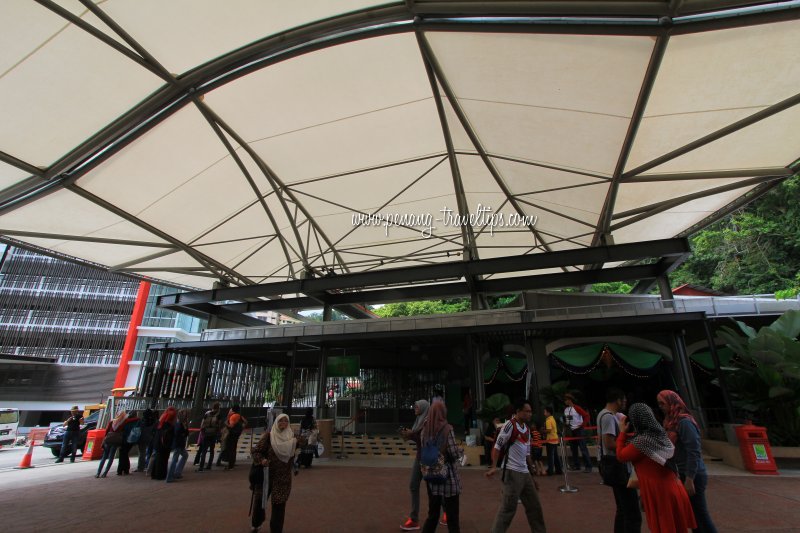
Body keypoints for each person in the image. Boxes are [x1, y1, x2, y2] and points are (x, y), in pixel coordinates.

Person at [617, 403, 696, 533]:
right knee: (677, 527)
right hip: (673, 486)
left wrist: (622, 433)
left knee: (665, 527)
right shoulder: (660, 435)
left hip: (659, 491)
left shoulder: (642, 442)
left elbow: (621, 456)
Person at [657, 390, 718, 533]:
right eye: (659, 403)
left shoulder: (684, 422)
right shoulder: (670, 422)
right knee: (692, 516)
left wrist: (690, 478)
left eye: (663, 403)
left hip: (693, 475)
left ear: (672, 403)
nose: (660, 406)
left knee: (700, 515)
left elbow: (694, 451)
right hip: (682, 473)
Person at [486, 399, 546, 533]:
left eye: (531, 411)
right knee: (507, 510)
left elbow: (527, 454)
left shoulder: (527, 429)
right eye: (527, 411)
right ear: (518, 412)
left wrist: (532, 473)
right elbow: (497, 446)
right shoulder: (509, 426)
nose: (530, 414)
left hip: (525, 473)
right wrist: (494, 466)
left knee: (535, 507)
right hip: (512, 473)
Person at [250, 413, 306, 533]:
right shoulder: (269, 437)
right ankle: (256, 523)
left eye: (286, 421)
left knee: (279, 504)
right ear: (276, 422)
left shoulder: (292, 439)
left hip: (283, 478)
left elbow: (304, 442)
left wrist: (302, 437)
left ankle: (276, 529)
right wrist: (262, 460)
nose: (283, 424)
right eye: (281, 421)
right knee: (260, 501)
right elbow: (255, 451)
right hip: (266, 475)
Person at [597, 388, 641, 533]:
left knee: (622, 509)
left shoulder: (603, 415)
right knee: (631, 511)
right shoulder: (609, 417)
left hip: (613, 466)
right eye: (623, 400)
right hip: (617, 466)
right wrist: (629, 445)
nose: (625, 402)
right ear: (618, 400)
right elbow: (609, 443)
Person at [419, 401, 462, 533]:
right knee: (452, 516)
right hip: (446, 475)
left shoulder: (425, 428)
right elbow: (454, 453)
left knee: (433, 514)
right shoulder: (447, 429)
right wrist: (460, 450)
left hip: (431, 475)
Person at [400, 399, 430, 531]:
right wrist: (408, 435)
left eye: (417, 407)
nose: (415, 409)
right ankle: (414, 519)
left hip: (429, 458)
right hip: (419, 457)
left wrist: (412, 434)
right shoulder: (418, 421)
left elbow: (425, 439)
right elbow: (417, 438)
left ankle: (446, 512)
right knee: (413, 485)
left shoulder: (427, 422)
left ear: (423, 408)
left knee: (434, 488)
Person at [563, 393, 592, 473]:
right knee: (573, 449)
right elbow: (569, 420)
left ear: (569, 400)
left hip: (579, 430)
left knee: (583, 448)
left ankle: (588, 466)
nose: (565, 401)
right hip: (572, 430)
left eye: (566, 400)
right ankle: (577, 465)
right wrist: (566, 425)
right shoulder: (566, 410)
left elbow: (586, 416)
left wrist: (582, 425)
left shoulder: (576, 408)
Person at [95, 410, 128, 478]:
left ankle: (98, 473)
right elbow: (124, 432)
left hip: (108, 440)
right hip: (115, 441)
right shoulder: (123, 423)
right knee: (111, 457)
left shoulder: (112, 421)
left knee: (104, 457)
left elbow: (106, 432)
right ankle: (105, 473)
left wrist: (103, 441)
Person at [151, 406, 177, 480]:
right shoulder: (170, 425)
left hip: (157, 443)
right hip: (165, 445)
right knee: (163, 460)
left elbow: (153, 431)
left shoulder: (160, 422)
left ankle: (154, 474)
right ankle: (161, 475)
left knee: (157, 459)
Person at [196, 402, 223, 472]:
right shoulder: (218, 415)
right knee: (212, 450)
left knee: (204, 451)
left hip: (206, 434)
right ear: (218, 408)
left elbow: (202, 424)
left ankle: (201, 467)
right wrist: (218, 435)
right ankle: (209, 465)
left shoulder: (207, 414)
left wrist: (202, 433)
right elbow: (219, 426)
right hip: (213, 434)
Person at [219, 404, 247, 470]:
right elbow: (245, 422)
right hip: (236, 435)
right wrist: (242, 427)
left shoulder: (233, 416)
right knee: (234, 449)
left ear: (232, 409)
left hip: (231, 435)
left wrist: (226, 423)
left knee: (230, 449)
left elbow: (231, 426)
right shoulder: (239, 416)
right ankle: (232, 463)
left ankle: (230, 465)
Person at [166, 408, 190, 482]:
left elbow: (185, 433)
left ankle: (177, 473)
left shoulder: (179, 423)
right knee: (175, 459)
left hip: (180, 444)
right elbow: (181, 433)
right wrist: (184, 432)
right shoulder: (179, 424)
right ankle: (170, 477)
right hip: (178, 444)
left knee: (184, 455)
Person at [116, 410, 140, 475]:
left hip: (125, 439)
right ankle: (125, 470)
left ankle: (120, 470)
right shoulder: (138, 421)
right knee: (125, 453)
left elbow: (122, 429)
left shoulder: (126, 421)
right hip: (132, 440)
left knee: (123, 454)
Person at [542, 406, 562, 476]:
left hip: (550, 440)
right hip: (555, 439)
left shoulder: (548, 420)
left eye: (545, 412)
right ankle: (559, 469)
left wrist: (543, 431)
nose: (544, 413)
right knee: (555, 456)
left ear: (548, 412)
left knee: (550, 457)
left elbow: (549, 430)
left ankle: (550, 471)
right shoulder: (552, 419)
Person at [135, 408, 157, 472]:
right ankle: (149, 466)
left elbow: (136, 428)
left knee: (142, 453)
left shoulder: (141, 421)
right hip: (150, 438)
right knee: (150, 453)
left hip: (141, 438)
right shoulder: (154, 421)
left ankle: (140, 467)